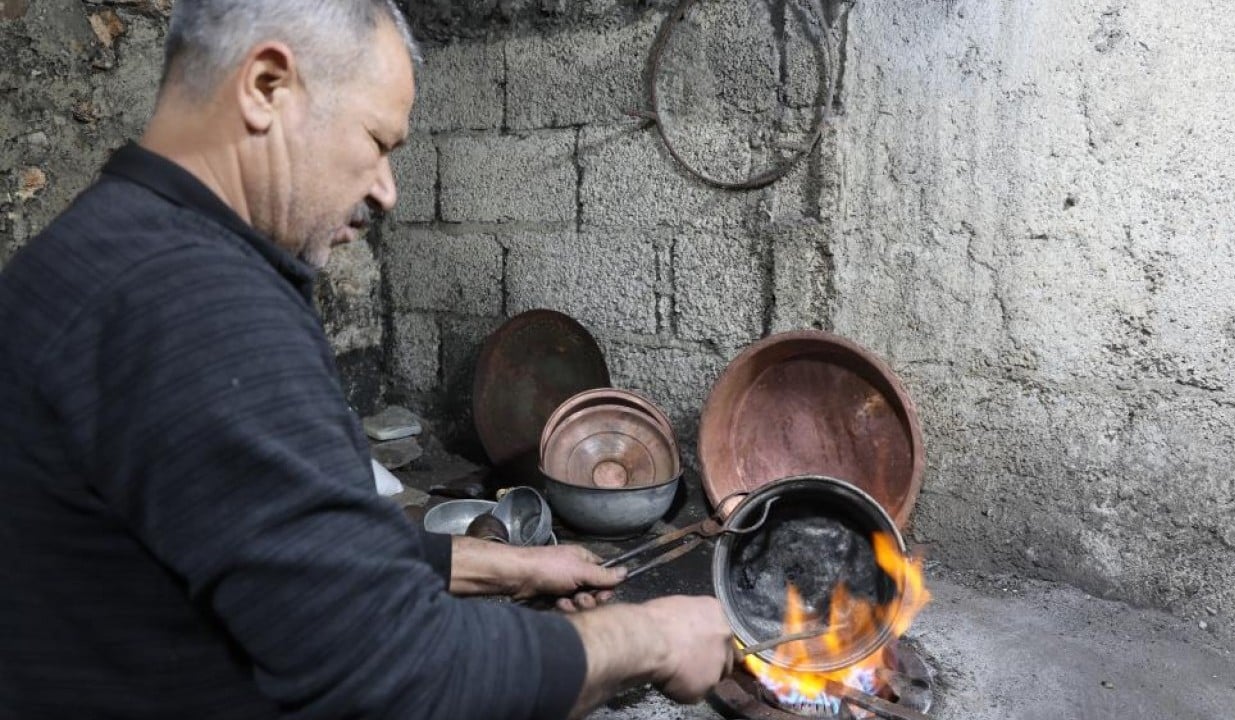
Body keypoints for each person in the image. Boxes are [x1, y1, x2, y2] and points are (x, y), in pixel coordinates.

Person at [0, 1, 735, 718]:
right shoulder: (202, 304)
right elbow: (397, 671)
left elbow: (282, 542)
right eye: (379, 142)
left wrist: (506, 565)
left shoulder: (103, 246)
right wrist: (649, 637)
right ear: (267, 87)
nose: (385, 190)